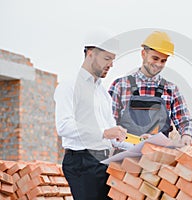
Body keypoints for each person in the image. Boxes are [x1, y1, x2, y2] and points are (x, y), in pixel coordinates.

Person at [54, 31, 126, 200]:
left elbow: (113, 136)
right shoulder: (69, 86)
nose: (111, 65)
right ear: (90, 54)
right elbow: (64, 126)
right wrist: (104, 132)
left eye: (113, 60)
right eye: (107, 59)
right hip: (81, 163)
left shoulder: (102, 93)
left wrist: (141, 144)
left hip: (104, 162)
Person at [108, 31, 192, 148]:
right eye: (155, 58)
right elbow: (108, 124)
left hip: (157, 159)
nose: (158, 64)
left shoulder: (171, 90)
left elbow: (185, 121)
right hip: (123, 157)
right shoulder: (120, 85)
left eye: (163, 61)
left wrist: (187, 135)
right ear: (144, 54)